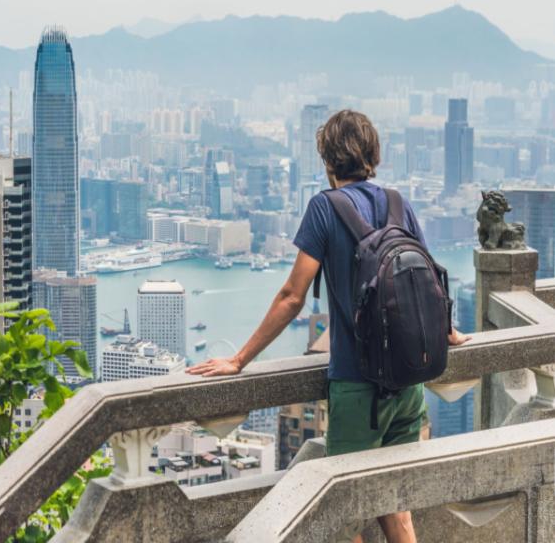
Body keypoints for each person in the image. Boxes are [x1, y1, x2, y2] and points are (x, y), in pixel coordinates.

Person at [188, 109, 470, 543]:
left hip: (357, 387)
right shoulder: (399, 202)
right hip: (409, 380)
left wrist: (239, 359)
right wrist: (448, 333)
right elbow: (428, 282)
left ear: (327, 161)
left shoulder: (324, 208)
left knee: (342, 519)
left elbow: (291, 296)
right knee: (396, 506)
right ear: (373, 155)